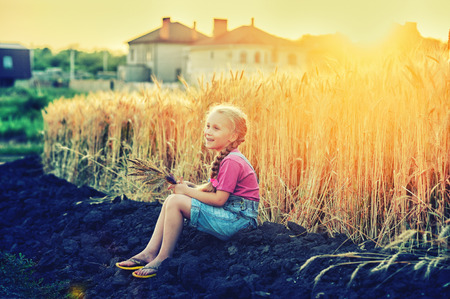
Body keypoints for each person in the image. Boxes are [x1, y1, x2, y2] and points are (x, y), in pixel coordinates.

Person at [116, 104, 260, 278]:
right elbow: (215, 193)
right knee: (172, 199)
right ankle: (150, 251)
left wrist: (186, 191)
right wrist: (191, 188)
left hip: (238, 223)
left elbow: (220, 200)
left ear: (233, 136)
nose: (208, 131)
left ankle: (163, 257)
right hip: (231, 217)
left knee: (176, 201)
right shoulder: (227, 158)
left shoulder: (232, 161)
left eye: (216, 128)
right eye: (207, 126)